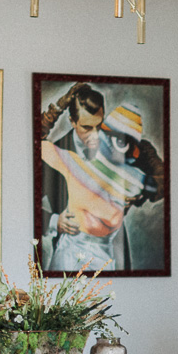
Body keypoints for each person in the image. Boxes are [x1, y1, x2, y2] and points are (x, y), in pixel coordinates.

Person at [40, 85, 165, 272]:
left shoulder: (121, 145)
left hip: (113, 247)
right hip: (71, 251)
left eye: (99, 126)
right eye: (86, 127)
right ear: (72, 121)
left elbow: (165, 180)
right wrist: (53, 221)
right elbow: (26, 162)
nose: (94, 135)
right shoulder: (60, 150)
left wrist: (142, 191)